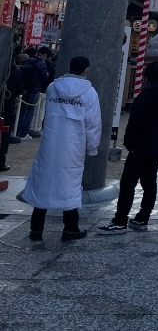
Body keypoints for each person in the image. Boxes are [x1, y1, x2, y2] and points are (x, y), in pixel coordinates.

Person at [23, 55, 101, 242]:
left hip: (51, 141)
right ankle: (70, 228)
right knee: (70, 184)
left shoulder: (53, 88)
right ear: (86, 70)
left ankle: (36, 229)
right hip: (74, 145)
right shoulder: (89, 93)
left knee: (43, 181)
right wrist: (92, 148)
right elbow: (93, 124)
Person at [98, 61, 158, 235]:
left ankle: (120, 220)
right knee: (149, 182)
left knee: (128, 183)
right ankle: (143, 217)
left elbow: (135, 123)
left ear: (147, 77)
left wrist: (130, 143)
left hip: (141, 145)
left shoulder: (145, 97)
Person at [0, 51, 24, 170]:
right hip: (8, 106)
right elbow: (20, 89)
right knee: (4, 133)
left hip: (6, 103)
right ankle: (1, 161)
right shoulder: (15, 72)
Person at [16, 51, 47, 139]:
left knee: (22, 111)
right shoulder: (40, 64)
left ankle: (17, 131)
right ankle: (24, 132)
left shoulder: (26, 63)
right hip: (34, 90)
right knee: (30, 112)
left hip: (24, 90)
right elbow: (44, 77)